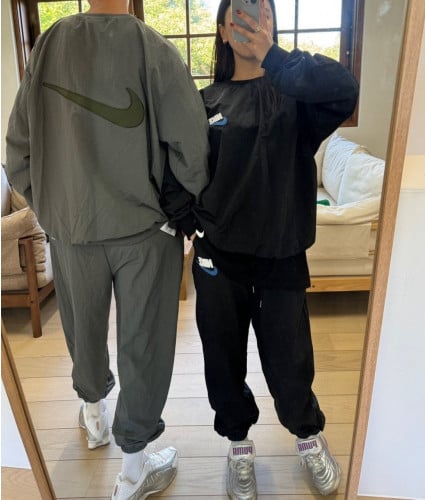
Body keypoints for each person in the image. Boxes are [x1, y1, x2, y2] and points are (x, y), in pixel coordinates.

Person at [5, 1, 209, 499]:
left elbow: (18, 147)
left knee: (83, 328)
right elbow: (192, 147)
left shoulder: (49, 46)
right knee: (145, 343)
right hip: (145, 231)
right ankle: (134, 469)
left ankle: (94, 416)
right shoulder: (153, 49)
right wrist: (183, 208)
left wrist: (51, 207)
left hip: (72, 228)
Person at [180, 0, 359, 497]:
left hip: (282, 253)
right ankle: (238, 445)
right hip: (218, 257)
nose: (250, 24)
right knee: (222, 358)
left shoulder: (296, 96)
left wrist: (274, 57)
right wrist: (188, 223)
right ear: (221, 30)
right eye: (237, 17)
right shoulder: (204, 101)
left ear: (272, 26)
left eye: (261, 15)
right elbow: (176, 168)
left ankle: (308, 436)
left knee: (290, 358)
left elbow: (345, 88)